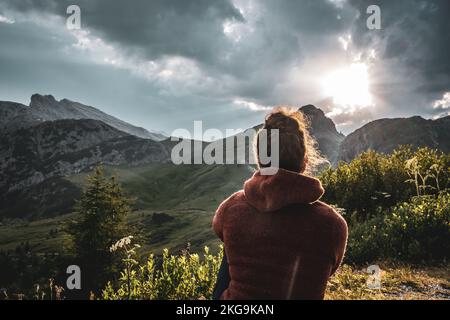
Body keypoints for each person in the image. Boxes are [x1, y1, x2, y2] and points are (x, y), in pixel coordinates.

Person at [212, 107, 348, 300]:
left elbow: (219, 229)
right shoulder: (333, 224)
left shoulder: (231, 208)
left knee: (231, 245)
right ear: (304, 160)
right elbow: (329, 270)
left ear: (260, 159)